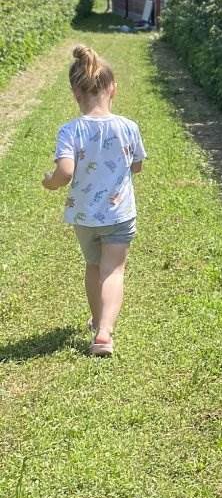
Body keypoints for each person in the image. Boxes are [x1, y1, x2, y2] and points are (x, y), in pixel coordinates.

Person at [42, 44, 146, 357]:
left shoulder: (70, 130)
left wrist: (50, 182)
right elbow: (137, 166)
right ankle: (104, 332)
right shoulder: (128, 127)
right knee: (113, 270)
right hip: (119, 213)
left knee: (93, 266)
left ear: (76, 93)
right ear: (113, 89)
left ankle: (98, 319)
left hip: (85, 215)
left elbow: (65, 171)